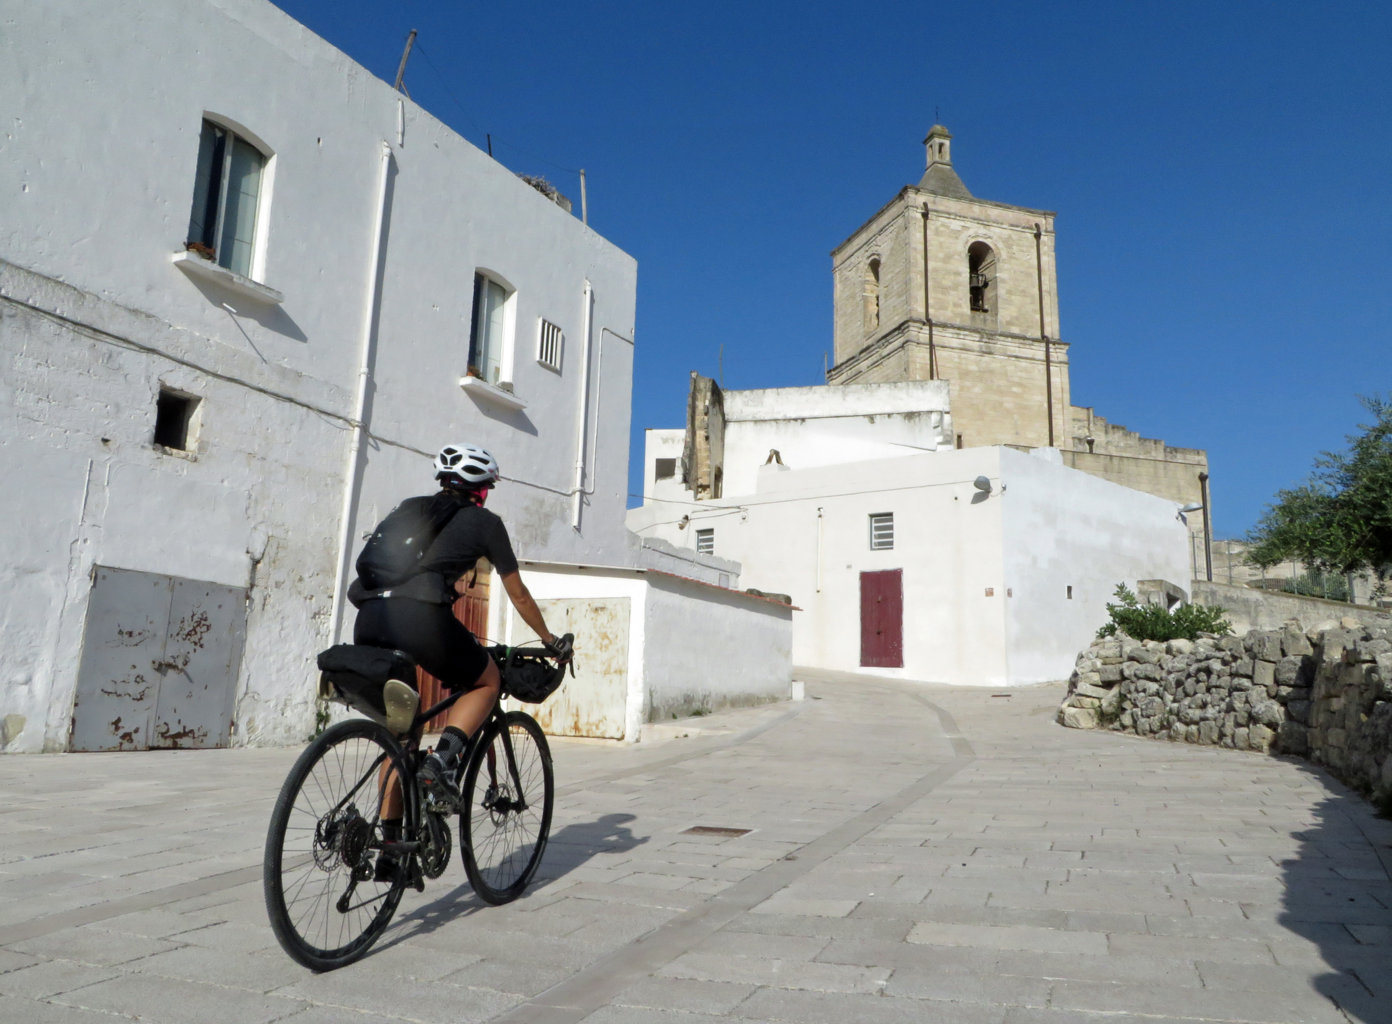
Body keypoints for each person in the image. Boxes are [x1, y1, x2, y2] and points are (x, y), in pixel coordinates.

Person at [348, 443, 567, 871]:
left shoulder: (411, 507)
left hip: (370, 617)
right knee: (486, 680)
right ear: (482, 490)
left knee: (401, 739)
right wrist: (550, 639)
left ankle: (392, 854)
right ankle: (442, 762)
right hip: (421, 618)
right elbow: (517, 593)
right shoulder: (485, 522)